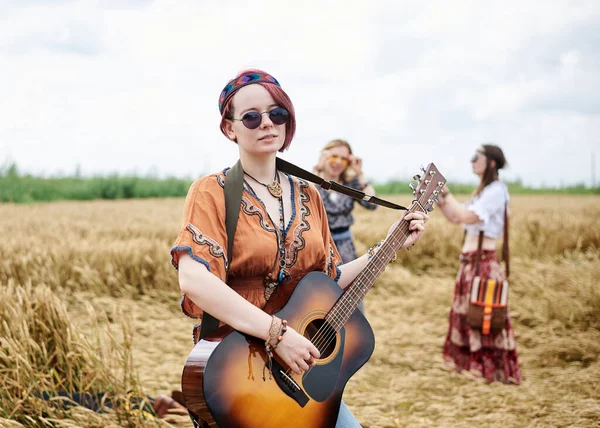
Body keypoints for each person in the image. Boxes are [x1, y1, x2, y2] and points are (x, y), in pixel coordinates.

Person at [170, 69, 429, 427]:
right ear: (230, 128)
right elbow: (194, 281)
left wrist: (388, 245)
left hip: (297, 377)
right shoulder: (211, 191)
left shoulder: (309, 195)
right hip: (242, 373)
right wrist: (277, 334)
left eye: (277, 113)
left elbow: (327, 281)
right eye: (251, 116)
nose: (267, 123)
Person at [435, 144, 521, 384]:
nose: (472, 161)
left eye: (477, 157)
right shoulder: (481, 192)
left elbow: (467, 216)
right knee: (468, 317)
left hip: (483, 264)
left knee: (484, 318)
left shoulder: (497, 190)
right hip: (469, 264)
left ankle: (488, 372)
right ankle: (472, 369)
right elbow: (455, 217)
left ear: (491, 162)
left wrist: (443, 190)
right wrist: (441, 195)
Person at [313, 139, 378, 265]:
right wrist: (317, 169)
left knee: (348, 283)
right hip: (319, 246)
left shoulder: (350, 184)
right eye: (334, 157)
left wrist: (359, 174)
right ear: (324, 157)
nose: (338, 162)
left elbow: (372, 204)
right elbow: (303, 199)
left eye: (343, 159)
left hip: (345, 247)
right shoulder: (313, 182)